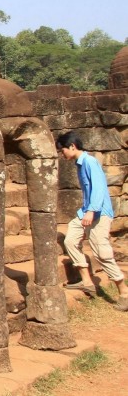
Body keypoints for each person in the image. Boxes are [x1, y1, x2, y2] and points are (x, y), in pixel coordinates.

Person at [56, 131, 128, 311]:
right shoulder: (80, 164)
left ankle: (124, 292)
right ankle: (87, 281)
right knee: (71, 240)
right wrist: (86, 212)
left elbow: (98, 189)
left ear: (72, 146)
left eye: (62, 150)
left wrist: (91, 211)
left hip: (99, 214)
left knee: (102, 252)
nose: (61, 154)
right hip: (86, 212)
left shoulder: (90, 162)